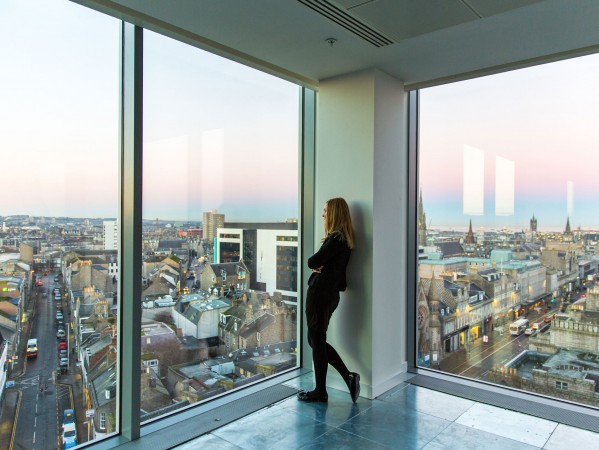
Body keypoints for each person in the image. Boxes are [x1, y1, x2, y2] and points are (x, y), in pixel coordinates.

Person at [298, 197, 360, 403]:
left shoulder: (336, 239)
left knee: (316, 340)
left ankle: (321, 391)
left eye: (325, 211)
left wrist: (318, 265)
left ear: (333, 213)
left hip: (320, 294)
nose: (323, 215)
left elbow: (312, 261)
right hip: (329, 295)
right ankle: (347, 377)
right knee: (315, 340)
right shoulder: (345, 240)